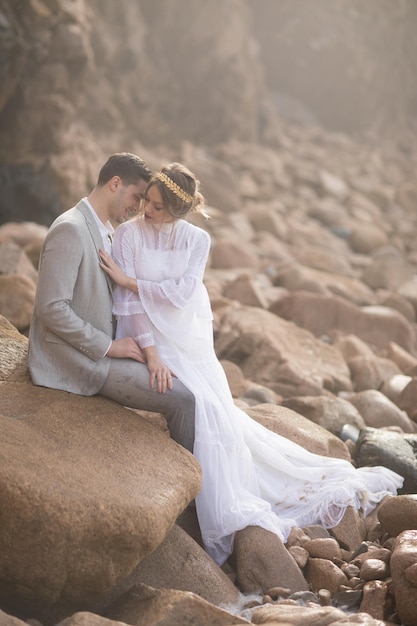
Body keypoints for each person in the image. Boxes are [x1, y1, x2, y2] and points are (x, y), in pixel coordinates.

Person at [99, 162, 404, 567]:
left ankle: (214, 496)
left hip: (188, 340)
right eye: (147, 201)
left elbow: (184, 292)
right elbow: (129, 307)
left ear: (178, 211)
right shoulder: (128, 234)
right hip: (152, 338)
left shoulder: (197, 240)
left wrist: (130, 280)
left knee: (216, 412)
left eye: (157, 206)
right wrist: (151, 354)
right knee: (199, 406)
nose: (147, 211)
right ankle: (199, 495)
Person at [28, 153, 196, 453]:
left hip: (108, 350)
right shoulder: (71, 228)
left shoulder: (109, 232)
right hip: (77, 360)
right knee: (183, 399)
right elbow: (51, 308)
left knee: (194, 382)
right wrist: (109, 346)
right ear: (115, 184)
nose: (139, 207)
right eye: (136, 197)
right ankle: (193, 496)